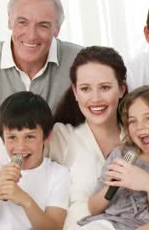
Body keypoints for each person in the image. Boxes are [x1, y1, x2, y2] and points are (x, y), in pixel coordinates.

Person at [77, 85, 149, 230]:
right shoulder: (120, 154)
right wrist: (111, 186)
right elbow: (94, 209)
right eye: (133, 121)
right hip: (106, 224)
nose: (140, 127)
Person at [0, 91, 70, 229]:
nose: (21, 146)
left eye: (30, 137)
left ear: (46, 137)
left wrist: (25, 201)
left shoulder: (58, 174)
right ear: (2, 140)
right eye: (12, 138)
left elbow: (53, 227)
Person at [47, 46, 128, 229]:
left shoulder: (139, 138)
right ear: (75, 92)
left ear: (121, 88)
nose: (96, 98)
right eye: (85, 89)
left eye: (105, 87)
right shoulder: (62, 137)